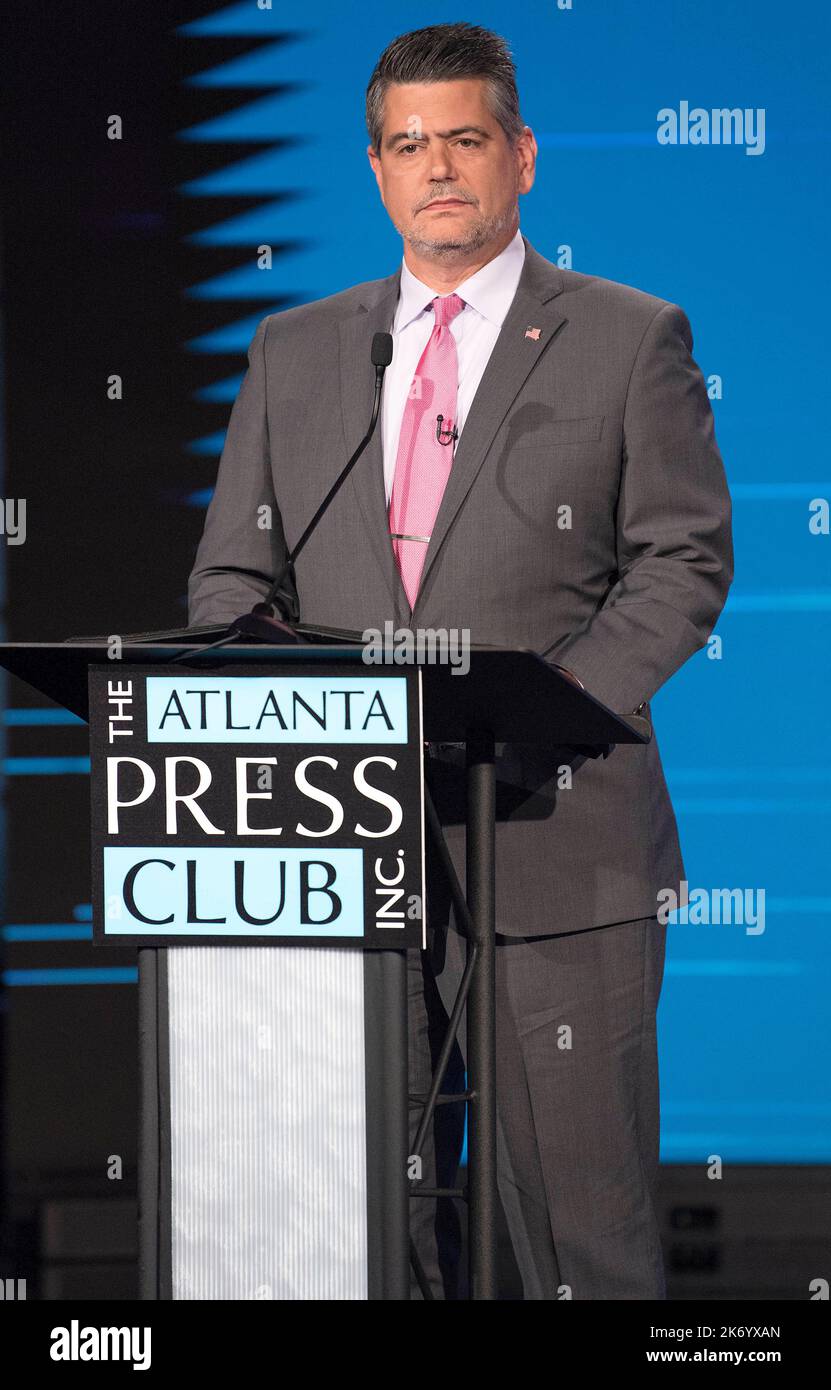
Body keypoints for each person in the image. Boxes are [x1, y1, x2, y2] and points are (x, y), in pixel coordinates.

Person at [188, 21, 733, 1299]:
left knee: (577, 1236)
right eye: (408, 144)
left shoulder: (628, 337)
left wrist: (554, 707)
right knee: (366, 1226)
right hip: (347, 853)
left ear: (523, 156)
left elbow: (682, 562)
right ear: (375, 171)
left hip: (557, 833)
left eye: (467, 140)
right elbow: (228, 582)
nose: (438, 168)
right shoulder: (294, 352)